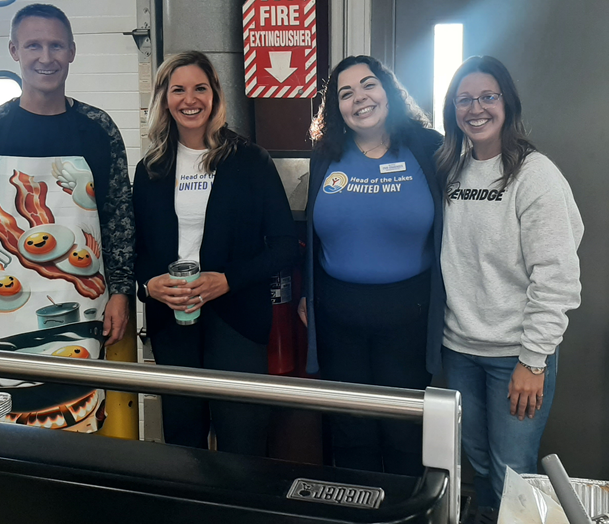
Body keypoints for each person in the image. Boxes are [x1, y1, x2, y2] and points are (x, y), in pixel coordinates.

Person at [0, 3, 135, 433]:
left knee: (76, 425)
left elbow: (120, 218)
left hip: (83, 310)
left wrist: (120, 291)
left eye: (56, 46)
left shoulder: (98, 129)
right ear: (14, 50)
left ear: (72, 52)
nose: (45, 57)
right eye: (33, 45)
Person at [434, 56, 582, 516]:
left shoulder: (534, 175)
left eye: (487, 97)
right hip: (459, 351)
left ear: (507, 103)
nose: (475, 108)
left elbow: (556, 275)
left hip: (515, 357)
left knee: (512, 471)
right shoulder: (450, 171)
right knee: (477, 466)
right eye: (464, 99)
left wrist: (533, 361)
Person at [132, 51, 298, 455]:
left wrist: (228, 280)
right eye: (178, 90)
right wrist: (148, 285)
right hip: (173, 322)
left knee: (242, 441)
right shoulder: (151, 168)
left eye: (200, 88)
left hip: (237, 319)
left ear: (215, 95)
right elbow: (135, 248)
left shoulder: (250, 161)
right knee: (182, 441)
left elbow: (284, 247)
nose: (190, 99)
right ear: (164, 99)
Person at [302, 55, 444, 475]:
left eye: (369, 85)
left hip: (409, 316)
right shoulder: (325, 156)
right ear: (337, 108)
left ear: (388, 92)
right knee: (350, 431)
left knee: (404, 433)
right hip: (337, 317)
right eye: (346, 93)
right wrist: (309, 295)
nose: (359, 98)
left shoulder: (427, 147)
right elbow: (312, 236)